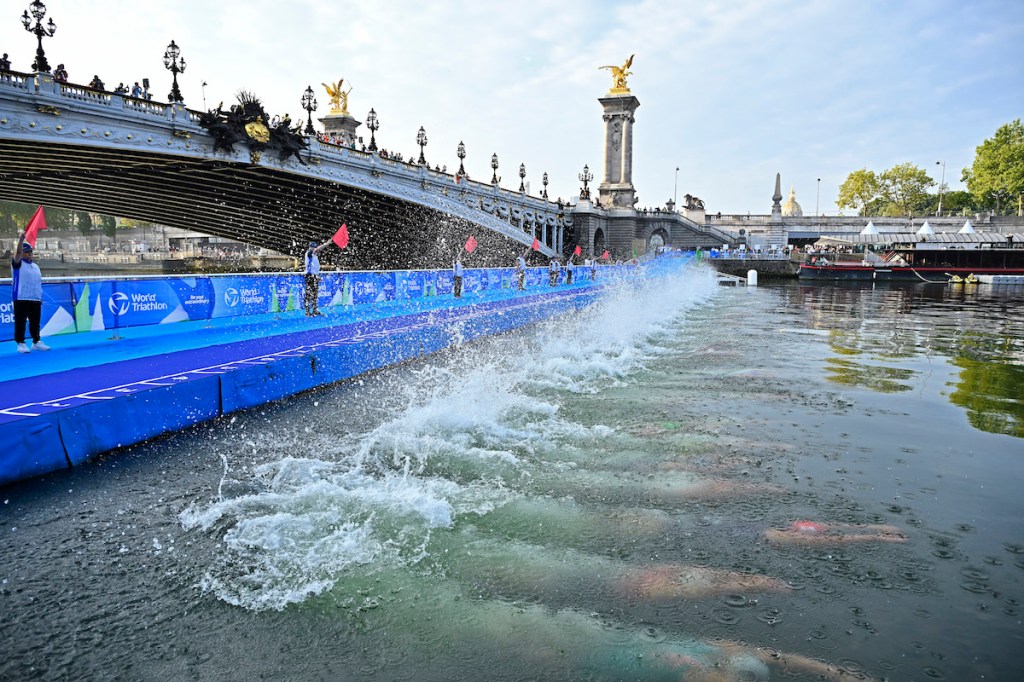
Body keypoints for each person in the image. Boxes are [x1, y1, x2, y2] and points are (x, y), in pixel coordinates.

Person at [11, 232, 49, 354]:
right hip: (21, 297)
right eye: (26, 252)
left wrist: (40, 296)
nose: (29, 254)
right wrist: (21, 241)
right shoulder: (17, 264)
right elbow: (17, 254)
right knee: (21, 321)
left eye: (30, 252)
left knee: (35, 321)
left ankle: (36, 341)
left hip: (35, 298)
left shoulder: (35, 266)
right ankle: (21, 343)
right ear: (22, 253)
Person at [303, 240, 329, 316]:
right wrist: (326, 244)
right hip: (309, 276)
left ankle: (314, 310)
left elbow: (315, 268)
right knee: (308, 294)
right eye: (313, 248)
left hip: (314, 276)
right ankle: (307, 312)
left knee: (315, 294)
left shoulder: (315, 256)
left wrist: (317, 276)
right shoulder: (309, 253)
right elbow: (316, 250)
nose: (315, 249)